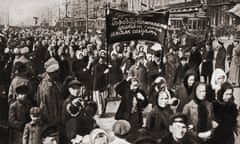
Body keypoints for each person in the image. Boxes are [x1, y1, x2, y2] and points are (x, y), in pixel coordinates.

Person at [37, 57, 64, 125]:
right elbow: (51, 106)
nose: (59, 73)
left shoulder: (44, 82)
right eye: (57, 72)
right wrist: (55, 121)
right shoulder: (48, 87)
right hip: (52, 120)